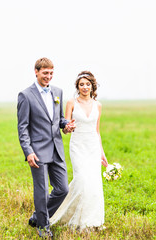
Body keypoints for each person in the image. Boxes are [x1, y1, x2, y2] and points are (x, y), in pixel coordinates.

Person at [17, 57, 75, 238]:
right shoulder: (25, 95)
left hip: (56, 148)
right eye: (45, 73)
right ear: (36, 71)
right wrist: (28, 152)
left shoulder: (57, 92)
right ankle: (43, 226)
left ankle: (37, 216)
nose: (48, 76)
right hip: (37, 152)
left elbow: (58, 119)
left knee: (63, 189)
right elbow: (23, 127)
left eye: (51, 73)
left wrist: (66, 125)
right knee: (41, 191)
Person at [50, 70, 108, 230]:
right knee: (81, 180)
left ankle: (91, 221)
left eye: (87, 84)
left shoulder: (98, 105)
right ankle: (65, 215)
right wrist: (68, 128)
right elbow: (65, 128)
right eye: (81, 84)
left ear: (92, 86)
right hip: (78, 146)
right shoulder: (71, 103)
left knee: (94, 184)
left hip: (93, 147)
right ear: (78, 87)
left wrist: (102, 153)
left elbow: (97, 131)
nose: (84, 87)